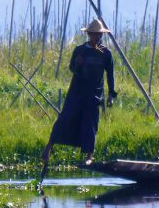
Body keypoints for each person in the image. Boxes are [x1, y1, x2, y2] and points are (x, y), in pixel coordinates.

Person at [42, 18, 117, 169]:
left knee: (90, 124)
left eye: (99, 35)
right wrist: (77, 64)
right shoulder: (80, 50)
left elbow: (110, 75)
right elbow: (72, 69)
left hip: (94, 95)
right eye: (94, 34)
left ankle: (90, 156)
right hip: (77, 92)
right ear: (89, 34)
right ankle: (49, 147)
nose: (97, 37)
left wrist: (111, 95)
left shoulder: (106, 54)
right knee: (65, 118)